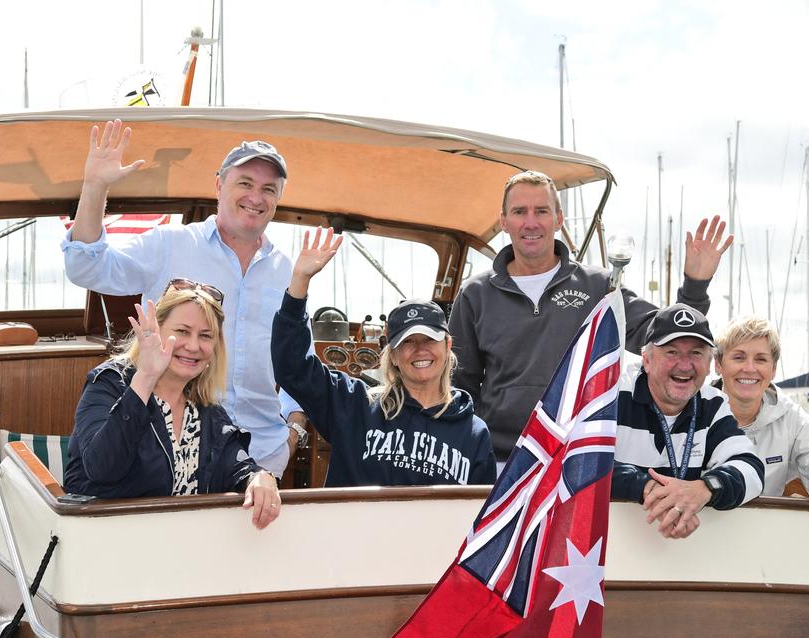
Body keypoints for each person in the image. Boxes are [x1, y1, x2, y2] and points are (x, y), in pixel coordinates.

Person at [61, 120, 306, 477]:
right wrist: (95, 185)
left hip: (263, 457)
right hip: (171, 452)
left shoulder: (287, 270)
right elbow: (86, 267)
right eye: (245, 183)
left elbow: (300, 360)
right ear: (219, 184)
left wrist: (292, 432)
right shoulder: (168, 244)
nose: (256, 197)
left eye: (269, 188)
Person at [449, 169, 733, 468]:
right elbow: (458, 385)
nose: (531, 222)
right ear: (504, 221)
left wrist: (695, 284)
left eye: (541, 211)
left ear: (558, 218)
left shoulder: (598, 286)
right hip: (498, 462)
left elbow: (664, 335)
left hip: (577, 460)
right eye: (520, 211)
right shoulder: (476, 294)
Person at [272, 228, 496, 488]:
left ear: (447, 346)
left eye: (429, 339)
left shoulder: (475, 433)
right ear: (394, 355)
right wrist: (300, 282)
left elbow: (481, 516)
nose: (420, 349)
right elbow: (291, 367)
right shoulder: (354, 406)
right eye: (408, 342)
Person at [64, 282, 281, 529]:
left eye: (205, 335)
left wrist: (259, 477)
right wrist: (145, 378)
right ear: (156, 330)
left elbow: (238, 465)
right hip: (104, 543)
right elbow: (102, 468)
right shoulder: (109, 383)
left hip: (181, 552)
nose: (193, 346)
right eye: (183, 331)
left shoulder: (206, 409)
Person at [611, 304, 763, 539]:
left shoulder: (712, 403)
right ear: (647, 361)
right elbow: (579, 463)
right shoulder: (610, 395)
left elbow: (751, 468)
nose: (685, 365)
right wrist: (646, 487)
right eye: (672, 352)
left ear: (709, 364)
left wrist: (704, 489)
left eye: (696, 353)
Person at [713, 317, 809, 499]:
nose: (750, 368)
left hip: (770, 527)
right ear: (718, 364)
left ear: (774, 369)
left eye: (760, 359)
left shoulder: (792, 419)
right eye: (739, 357)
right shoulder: (695, 412)